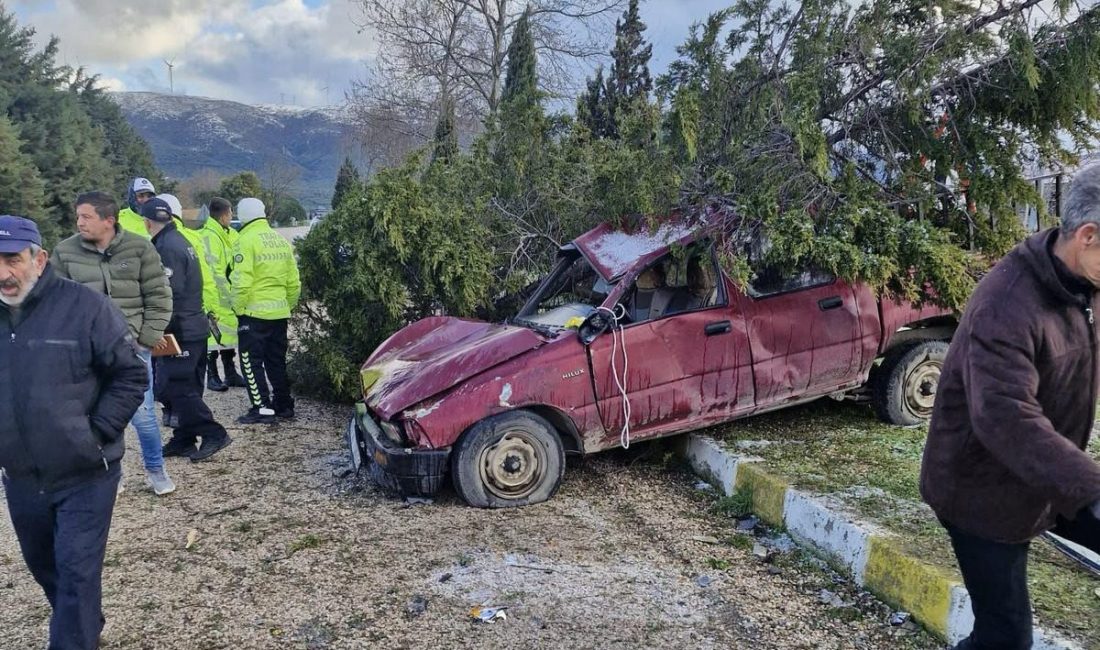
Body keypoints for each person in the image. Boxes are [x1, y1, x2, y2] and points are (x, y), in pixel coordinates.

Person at [921, 164, 1100, 649]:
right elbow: (1006, 417)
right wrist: (1090, 486)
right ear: (1087, 235)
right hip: (980, 492)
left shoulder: (1082, 283)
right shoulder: (1008, 305)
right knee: (1004, 637)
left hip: (1045, 473)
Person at [0, 215, 147, 650]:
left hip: (86, 473)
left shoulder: (84, 307)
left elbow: (130, 376)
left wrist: (96, 433)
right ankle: (84, 618)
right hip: (22, 478)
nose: (3, 274)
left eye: (12, 260)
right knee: (47, 568)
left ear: (39, 259)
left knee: (77, 573)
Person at [50, 191, 177, 494]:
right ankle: (106, 473)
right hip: (86, 353)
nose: (79, 222)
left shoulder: (139, 248)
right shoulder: (65, 252)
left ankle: (156, 470)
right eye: (77, 216)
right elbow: (53, 301)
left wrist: (146, 340)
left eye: (86, 216)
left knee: (143, 416)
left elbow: (159, 296)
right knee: (93, 414)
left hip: (132, 348)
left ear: (109, 220)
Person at [141, 198, 232, 461]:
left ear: (147, 223)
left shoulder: (165, 247)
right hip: (193, 325)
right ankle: (184, 438)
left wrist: (157, 330)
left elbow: (169, 293)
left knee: (174, 387)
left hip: (180, 328)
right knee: (187, 385)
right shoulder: (180, 241)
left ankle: (213, 432)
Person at [232, 197, 300, 424]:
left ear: (242, 216)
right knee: (276, 360)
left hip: (253, 313)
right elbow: (294, 281)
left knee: (251, 362)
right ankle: (284, 405)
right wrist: (286, 304)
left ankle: (262, 408)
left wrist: (238, 308)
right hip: (279, 312)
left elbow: (241, 281)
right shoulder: (280, 240)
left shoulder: (245, 240)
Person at [199, 197, 245, 391]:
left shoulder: (230, 233)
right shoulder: (209, 236)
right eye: (231, 213)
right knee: (213, 337)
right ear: (225, 214)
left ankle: (230, 373)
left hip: (229, 295)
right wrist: (227, 293)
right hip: (215, 296)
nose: (232, 216)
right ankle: (212, 375)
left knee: (229, 336)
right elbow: (214, 270)